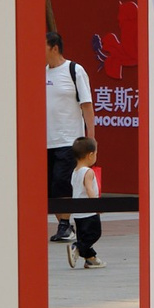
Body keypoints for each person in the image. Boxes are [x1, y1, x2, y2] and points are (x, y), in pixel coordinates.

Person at [43, 32, 93, 242]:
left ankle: (64, 224)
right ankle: (64, 225)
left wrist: (91, 140)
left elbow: (87, 105)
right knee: (48, 187)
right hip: (45, 141)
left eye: (43, 46)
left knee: (61, 182)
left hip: (68, 140)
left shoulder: (75, 70)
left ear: (55, 48)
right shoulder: (41, 73)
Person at [67, 136, 104, 269]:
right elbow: (89, 189)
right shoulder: (88, 172)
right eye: (96, 154)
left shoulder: (75, 172)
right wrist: (96, 205)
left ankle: (90, 259)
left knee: (83, 237)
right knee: (94, 234)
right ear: (90, 155)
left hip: (78, 212)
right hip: (89, 212)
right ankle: (76, 248)